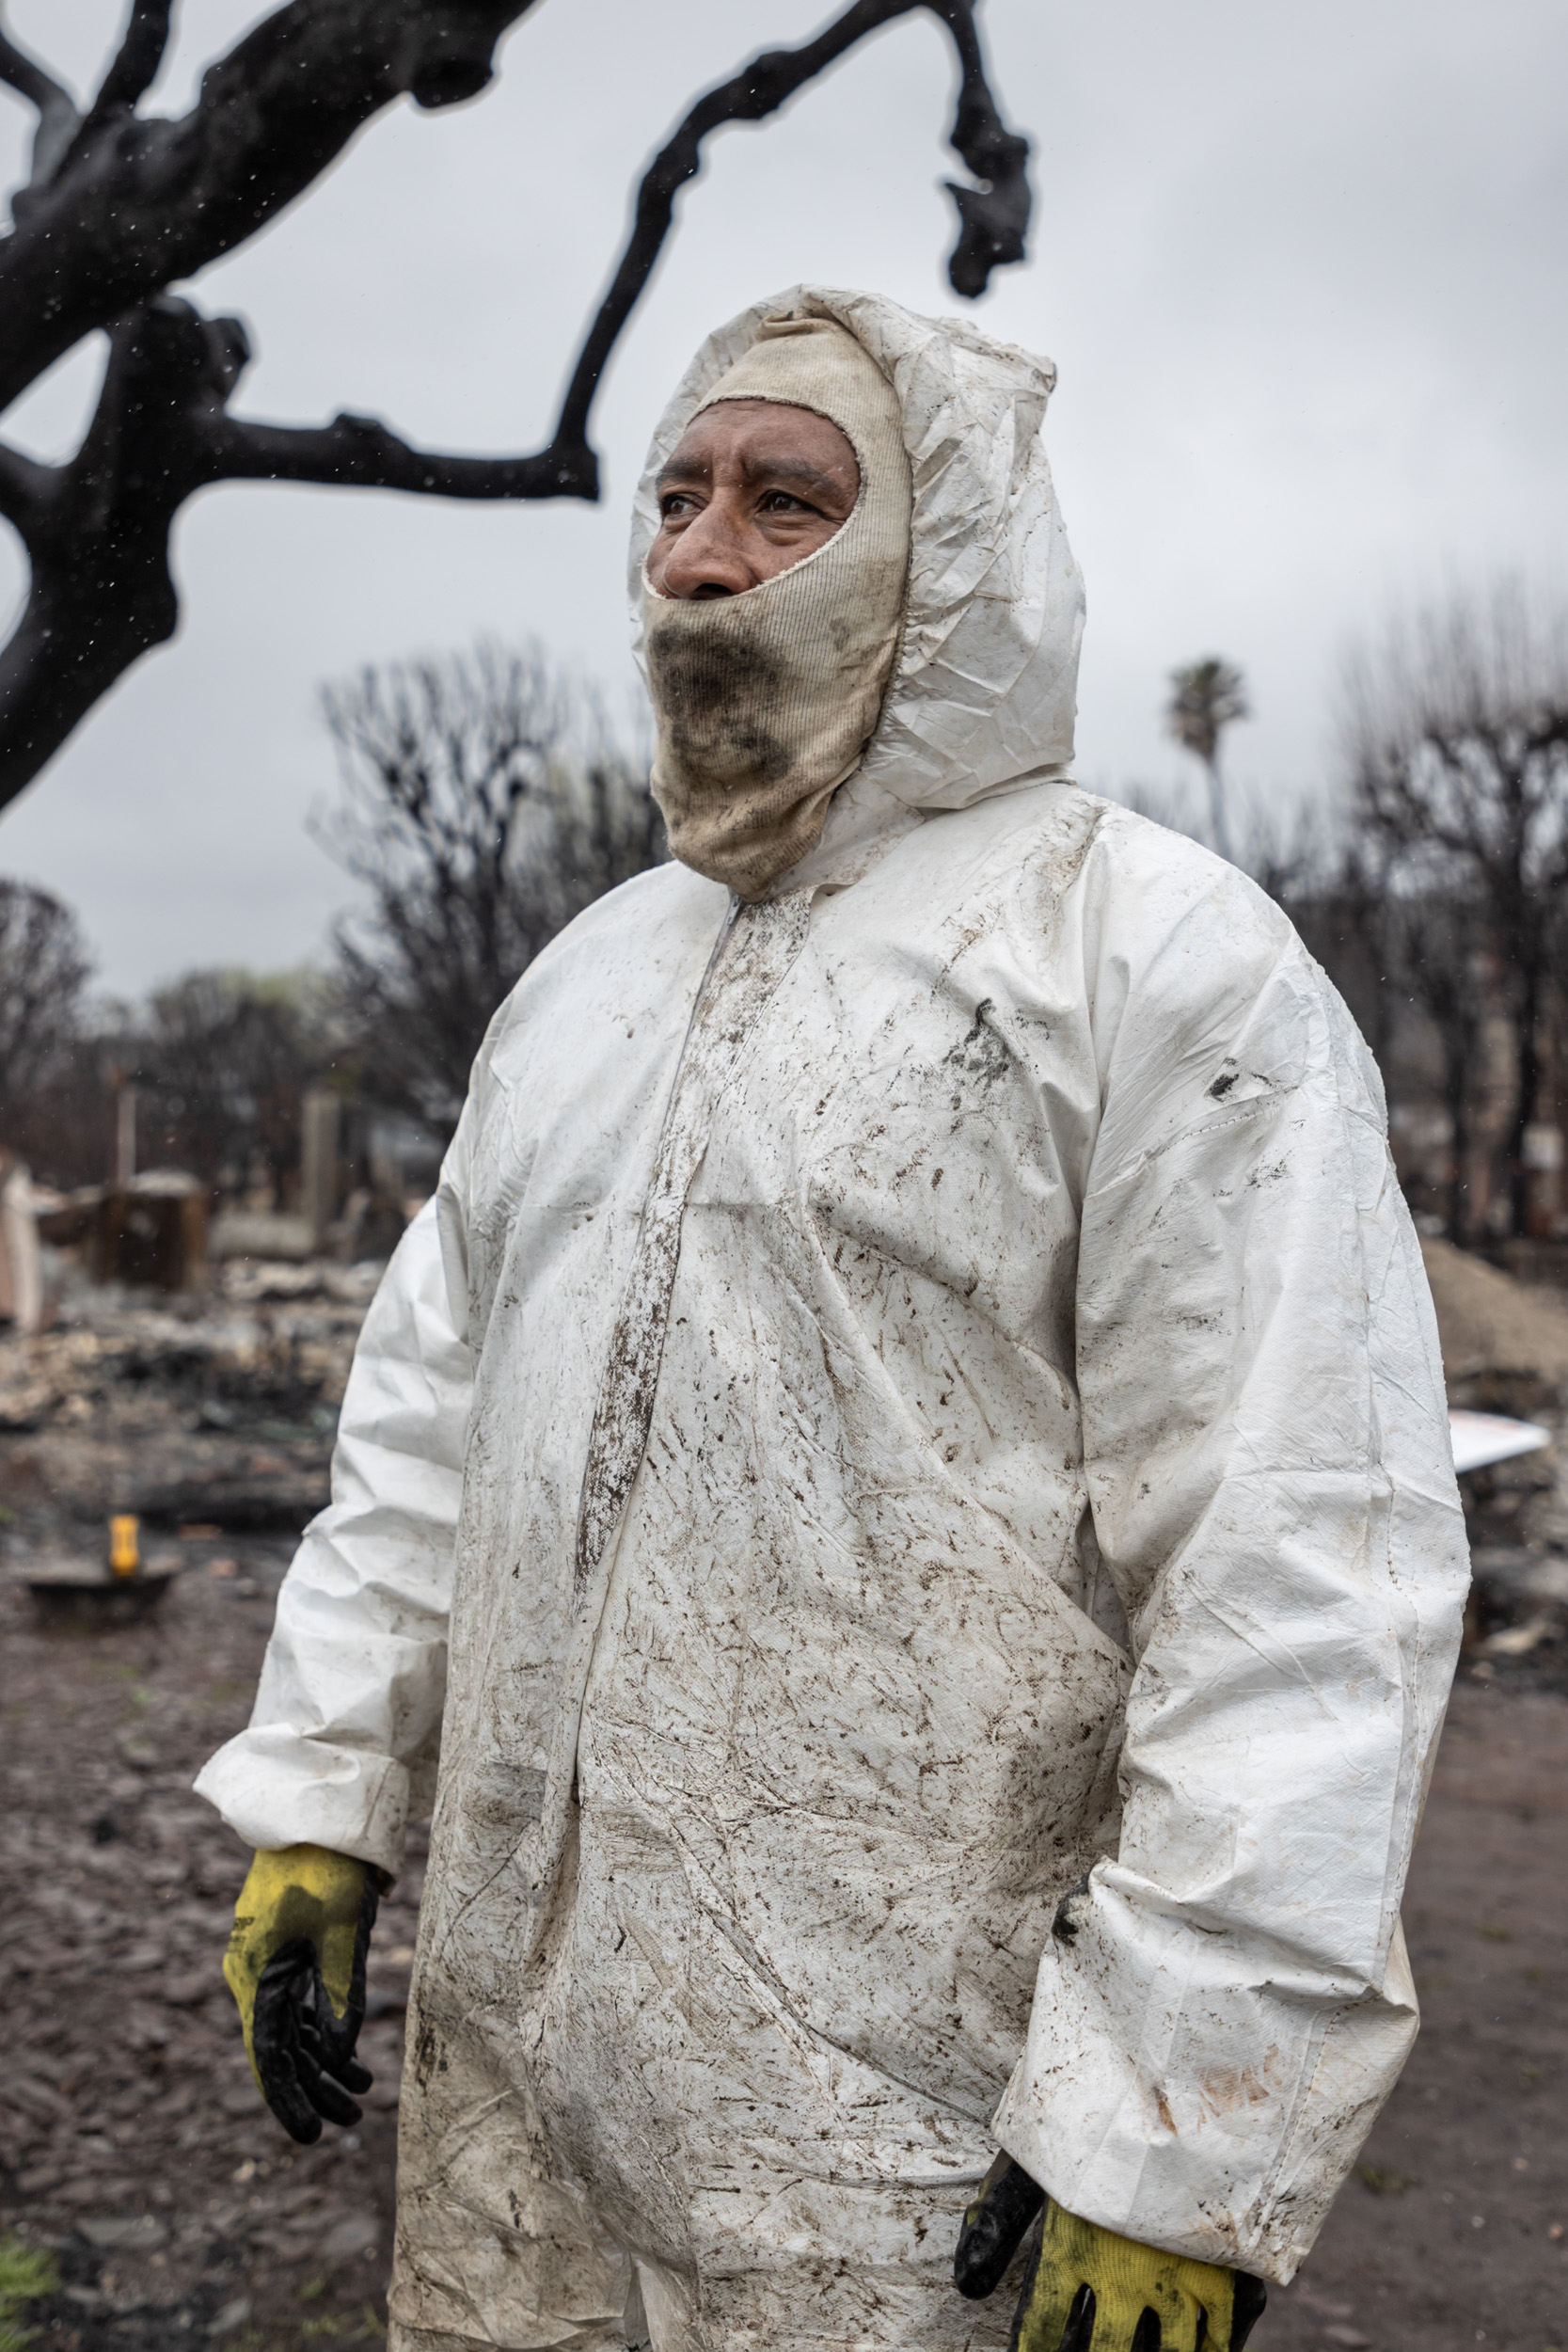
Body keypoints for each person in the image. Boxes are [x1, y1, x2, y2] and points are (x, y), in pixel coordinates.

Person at [198, 288, 1468, 2352]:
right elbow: (427, 1427)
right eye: (677, 499)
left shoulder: (1148, 956)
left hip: (908, 2134)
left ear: (940, 553)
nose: (702, 555)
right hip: (520, 2088)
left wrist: (1176, 2106)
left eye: (788, 500)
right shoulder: (586, 981)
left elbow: (1295, 1548)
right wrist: (328, 1796)